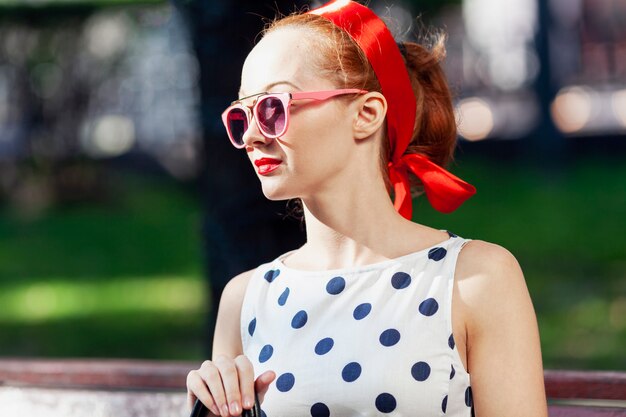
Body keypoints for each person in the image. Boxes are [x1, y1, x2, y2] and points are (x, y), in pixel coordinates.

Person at [186, 0, 548, 416]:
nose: (250, 135)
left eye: (273, 108)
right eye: (241, 115)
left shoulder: (476, 278)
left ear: (367, 114)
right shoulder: (246, 298)